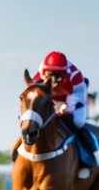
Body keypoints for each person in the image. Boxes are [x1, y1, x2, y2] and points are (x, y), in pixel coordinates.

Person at [33, 50, 98, 179]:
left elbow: (72, 103)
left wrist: (64, 108)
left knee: (77, 123)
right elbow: (34, 93)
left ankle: (87, 161)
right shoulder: (40, 72)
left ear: (64, 72)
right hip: (51, 98)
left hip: (72, 97)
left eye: (57, 75)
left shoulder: (75, 77)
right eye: (50, 74)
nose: (52, 79)